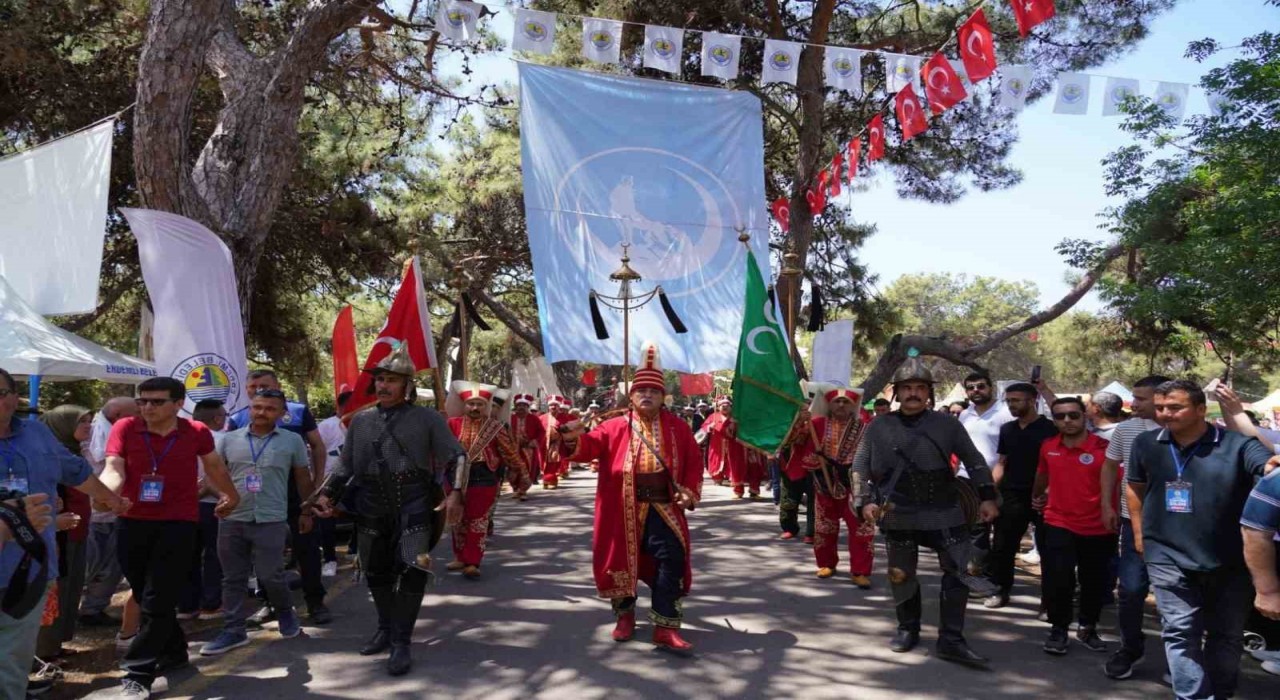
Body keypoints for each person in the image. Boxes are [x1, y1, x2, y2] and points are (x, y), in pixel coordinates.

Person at [310, 343, 466, 676]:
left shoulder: (427, 419)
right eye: (380, 378)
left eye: (392, 379)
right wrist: (328, 496)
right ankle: (384, 628)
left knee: (412, 568)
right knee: (376, 570)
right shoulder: (361, 421)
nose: (383, 385)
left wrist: (456, 495)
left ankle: (401, 641)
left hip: (414, 503)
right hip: (371, 503)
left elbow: (457, 456)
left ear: (407, 385)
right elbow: (345, 465)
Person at [1126, 379, 1275, 700]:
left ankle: (1220, 693)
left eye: (1175, 407)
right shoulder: (1146, 443)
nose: (1165, 413)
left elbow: (1269, 465)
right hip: (1166, 555)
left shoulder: (1237, 444)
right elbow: (1135, 488)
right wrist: (1139, 534)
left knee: (1226, 636)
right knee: (1180, 633)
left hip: (1231, 561)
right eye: (1161, 407)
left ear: (1199, 409)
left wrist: (1268, 458)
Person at [853, 357, 1000, 665]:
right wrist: (863, 500)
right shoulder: (879, 425)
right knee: (900, 573)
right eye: (907, 388)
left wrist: (987, 497)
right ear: (896, 392)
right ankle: (908, 628)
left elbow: (973, 461)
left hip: (945, 508)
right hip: (898, 509)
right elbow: (860, 465)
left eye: (920, 387)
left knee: (960, 572)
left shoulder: (947, 424)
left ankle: (951, 640)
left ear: (929, 392)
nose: (914, 393)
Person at [559, 342, 702, 654]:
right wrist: (571, 438)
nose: (647, 395)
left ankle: (665, 627)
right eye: (641, 391)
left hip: (664, 506)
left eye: (653, 391)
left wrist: (689, 492)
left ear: (664, 396)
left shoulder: (679, 428)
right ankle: (625, 617)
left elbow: (693, 463)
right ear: (632, 396)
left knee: (672, 560)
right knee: (621, 562)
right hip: (621, 506)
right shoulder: (612, 426)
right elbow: (588, 447)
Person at [103, 376, 235, 699]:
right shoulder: (125, 428)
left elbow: (214, 467)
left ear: (178, 404)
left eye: (156, 401)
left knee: (157, 597)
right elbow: (113, 467)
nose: (147, 407)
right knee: (144, 591)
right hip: (132, 522)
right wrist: (107, 490)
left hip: (178, 523)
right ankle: (175, 651)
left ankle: (138, 673)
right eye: (143, 401)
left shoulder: (196, 432)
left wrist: (231, 495)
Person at [201, 389, 314, 655]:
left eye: (270, 408)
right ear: (249, 408)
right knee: (232, 578)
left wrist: (307, 511)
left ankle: (286, 612)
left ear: (282, 414)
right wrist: (223, 496)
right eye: (257, 407)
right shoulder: (229, 440)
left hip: (271, 519)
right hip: (232, 518)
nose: (262, 412)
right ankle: (233, 630)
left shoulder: (292, 441)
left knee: (270, 576)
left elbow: (302, 478)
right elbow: (213, 475)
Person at [226, 370, 331, 625]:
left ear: (278, 387)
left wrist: (316, 485)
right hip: (257, 498)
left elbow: (317, 446)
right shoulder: (238, 418)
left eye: (264, 385)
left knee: (305, 549)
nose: (258, 390)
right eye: (252, 387)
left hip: (295, 494)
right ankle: (269, 603)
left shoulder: (298, 412)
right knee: (263, 554)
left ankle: (315, 602)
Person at [1098, 374, 1170, 680]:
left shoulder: (1182, 431)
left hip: (1176, 526)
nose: (1133, 403)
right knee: (1130, 590)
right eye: (1134, 397)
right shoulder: (1126, 430)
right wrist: (1106, 504)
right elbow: (1110, 466)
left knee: (1173, 595)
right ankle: (1130, 648)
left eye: (1141, 398)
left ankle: (1180, 659)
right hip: (1133, 522)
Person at [1032, 397, 1112, 655]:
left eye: (1073, 415)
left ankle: (1088, 628)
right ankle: (1058, 629)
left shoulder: (1105, 448)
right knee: (1058, 579)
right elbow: (1042, 475)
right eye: (1060, 416)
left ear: (1085, 416)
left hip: (1098, 527)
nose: (1067, 420)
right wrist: (1038, 495)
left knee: (1093, 582)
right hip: (1058, 522)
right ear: (1054, 419)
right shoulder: (1048, 446)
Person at [783, 384, 874, 587]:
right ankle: (826, 563)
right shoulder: (816, 424)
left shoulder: (865, 426)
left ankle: (860, 570)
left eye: (846, 402)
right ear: (829, 405)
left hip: (854, 486)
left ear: (853, 406)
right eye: (837, 401)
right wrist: (800, 421)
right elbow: (792, 441)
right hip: (823, 483)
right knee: (824, 527)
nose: (841, 405)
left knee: (862, 529)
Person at [984, 382, 1058, 609]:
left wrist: (1047, 491)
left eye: (1016, 400)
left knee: (1050, 550)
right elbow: (1002, 462)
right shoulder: (1008, 429)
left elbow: (1058, 465)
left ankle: (1050, 602)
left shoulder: (1051, 428)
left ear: (1033, 400)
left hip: (1044, 497)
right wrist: (990, 491)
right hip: (1011, 496)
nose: (1011, 405)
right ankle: (1000, 590)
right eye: (1008, 401)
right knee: (1003, 546)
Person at [445, 382, 526, 579]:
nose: (475, 408)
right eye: (471, 404)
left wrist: (522, 472)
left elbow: (509, 452)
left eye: (479, 404)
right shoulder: (451, 424)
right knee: (458, 519)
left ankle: (473, 561)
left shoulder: (494, 427)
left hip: (483, 476)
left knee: (478, 520)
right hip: (455, 476)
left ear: (486, 407)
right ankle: (460, 556)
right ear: (464, 405)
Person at [34, 405, 94, 662]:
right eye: (83, 422)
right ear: (64, 425)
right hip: (57, 533)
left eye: (90, 421)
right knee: (55, 590)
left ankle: (56, 643)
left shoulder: (73, 451)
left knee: (71, 589)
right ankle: (44, 651)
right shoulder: (47, 455)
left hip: (76, 531)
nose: (89, 426)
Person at [80, 397, 138, 629]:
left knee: (113, 567)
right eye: (133, 414)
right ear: (117, 414)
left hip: (116, 512)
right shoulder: (90, 436)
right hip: (91, 515)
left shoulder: (118, 433)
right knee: (87, 566)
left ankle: (92, 609)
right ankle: (62, 614)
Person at [177, 400, 227, 621]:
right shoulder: (223, 439)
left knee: (188, 555)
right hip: (214, 505)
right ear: (217, 418)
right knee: (214, 556)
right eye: (223, 416)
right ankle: (211, 603)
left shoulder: (178, 438)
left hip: (184, 506)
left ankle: (187, 605)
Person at [315, 389, 351, 576]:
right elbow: (317, 452)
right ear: (339, 406)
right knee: (327, 519)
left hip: (355, 480)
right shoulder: (327, 426)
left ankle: (357, 553)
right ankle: (329, 559)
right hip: (330, 479)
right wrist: (318, 481)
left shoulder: (361, 423)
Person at [703, 398, 746, 492]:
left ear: (730, 407)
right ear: (718, 407)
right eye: (722, 406)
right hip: (717, 444)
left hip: (732, 443)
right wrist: (710, 426)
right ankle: (718, 478)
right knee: (716, 459)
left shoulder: (734, 417)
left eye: (727, 406)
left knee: (732, 460)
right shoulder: (713, 416)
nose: (725, 408)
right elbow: (704, 427)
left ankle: (732, 477)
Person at [509, 394, 546, 501]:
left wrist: (534, 441)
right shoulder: (510, 418)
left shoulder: (534, 419)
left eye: (524, 405)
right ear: (515, 406)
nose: (521, 407)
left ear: (527, 407)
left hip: (528, 449)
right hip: (512, 449)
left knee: (527, 469)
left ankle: (523, 490)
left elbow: (541, 432)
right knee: (513, 469)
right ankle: (515, 489)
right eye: (519, 405)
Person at [540, 397, 572, 489]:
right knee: (544, 462)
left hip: (558, 444)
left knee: (554, 461)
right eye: (551, 405)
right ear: (548, 407)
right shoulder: (542, 418)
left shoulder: (564, 417)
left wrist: (560, 430)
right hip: (544, 444)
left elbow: (569, 429)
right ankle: (546, 479)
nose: (553, 407)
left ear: (558, 407)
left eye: (555, 405)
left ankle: (551, 479)